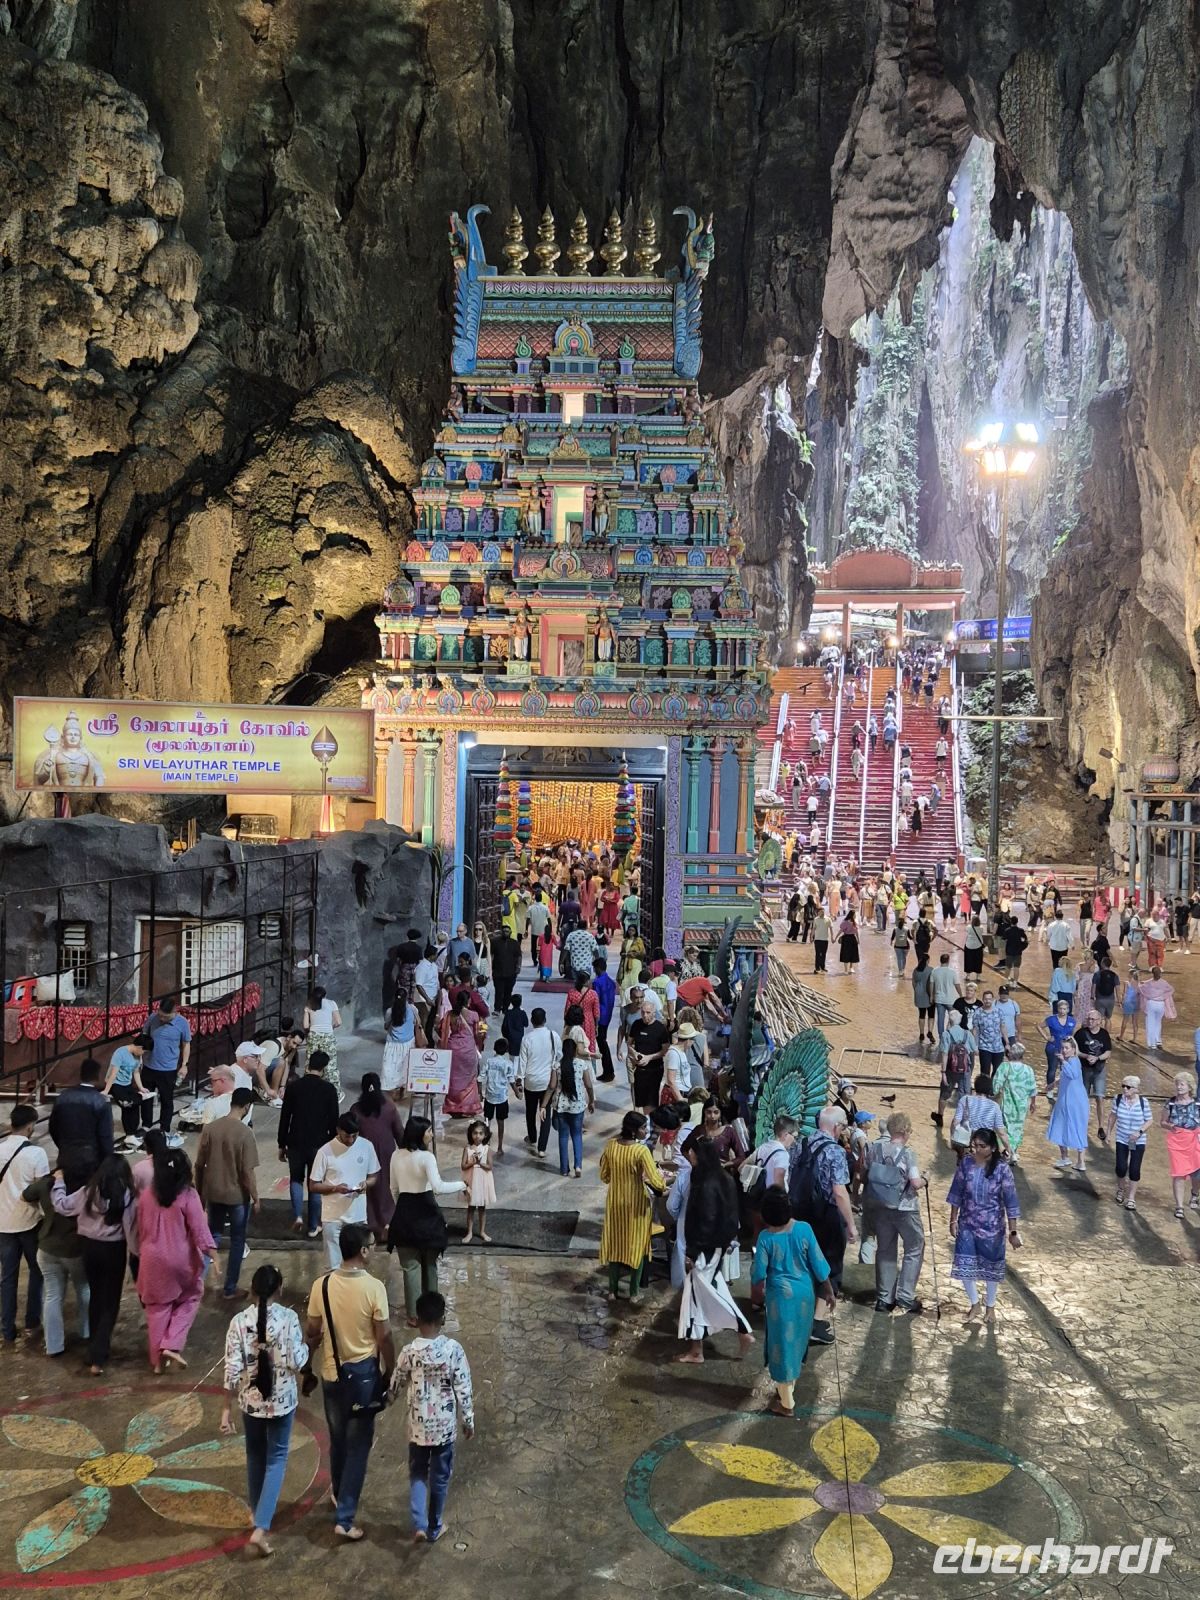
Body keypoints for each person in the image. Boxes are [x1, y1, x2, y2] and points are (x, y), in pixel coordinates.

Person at [305, 1223, 395, 1541]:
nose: (375, 1249)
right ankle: (344, 1517)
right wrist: (390, 1369)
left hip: (332, 1375)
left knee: (338, 1438)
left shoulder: (322, 1286)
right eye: (372, 1244)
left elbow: (312, 1332)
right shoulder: (374, 1289)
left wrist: (307, 1367)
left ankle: (339, 1492)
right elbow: (383, 1336)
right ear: (363, 1251)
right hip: (364, 1379)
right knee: (359, 1446)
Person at [220, 1262, 307, 1557]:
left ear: (253, 1290)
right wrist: (309, 1348)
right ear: (279, 1289)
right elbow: (298, 1361)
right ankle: (261, 1527)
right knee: (277, 1458)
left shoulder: (238, 1323)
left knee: (255, 1456)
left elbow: (232, 1370)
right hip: (281, 1401)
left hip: (250, 1401)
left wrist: (225, 1410)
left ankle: (257, 1514)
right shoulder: (288, 1319)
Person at [391, 1289, 474, 1545]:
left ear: (416, 1319)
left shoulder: (408, 1352)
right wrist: (468, 1418)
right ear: (443, 1318)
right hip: (444, 1429)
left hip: (418, 1427)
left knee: (418, 1472)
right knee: (440, 1477)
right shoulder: (453, 1350)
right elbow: (464, 1386)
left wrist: (387, 1397)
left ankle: (419, 1524)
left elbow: (396, 1382)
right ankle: (434, 1526)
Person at [750, 1188, 834, 1416]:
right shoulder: (804, 1229)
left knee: (781, 1348)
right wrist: (828, 1291)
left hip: (780, 1300)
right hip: (805, 1296)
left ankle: (786, 1404)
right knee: (797, 1342)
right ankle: (787, 1389)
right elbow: (819, 1263)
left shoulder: (766, 1238)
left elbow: (758, 1274)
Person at [51, 1153, 135, 1374]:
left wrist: (59, 1181)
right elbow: (130, 1228)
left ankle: (94, 1348)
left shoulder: (89, 1191)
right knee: (111, 1303)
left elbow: (62, 1205)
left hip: (89, 1248)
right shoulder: (126, 1195)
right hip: (114, 1250)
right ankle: (98, 1355)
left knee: (97, 1296)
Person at [136, 1145, 216, 1373]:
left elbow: (139, 1228)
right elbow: (200, 1230)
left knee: (157, 1309)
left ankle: (156, 1363)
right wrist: (213, 1253)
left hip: (151, 1259)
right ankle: (172, 1344)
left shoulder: (146, 1196)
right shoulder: (189, 1196)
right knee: (191, 1296)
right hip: (181, 1260)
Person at [675, 1141, 752, 1364]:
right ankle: (698, 1348)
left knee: (696, 1295)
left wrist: (692, 1251)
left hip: (705, 1248)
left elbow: (706, 1220)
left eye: (692, 1153)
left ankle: (740, 1331)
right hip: (717, 1245)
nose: (690, 1156)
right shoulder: (723, 1178)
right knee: (707, 1291)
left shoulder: (706, 1183)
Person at [387, 1116, 467, 1323]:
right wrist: (462, 1184)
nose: (431, 1134)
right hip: (427, 1214)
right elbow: (438, 1188)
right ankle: (433, 1315)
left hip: (404, 1213)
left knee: (410, 1267)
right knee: (430, 1265)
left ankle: (413, 1315)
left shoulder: (396, 1155)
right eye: (429, 1130)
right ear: (420, 1134)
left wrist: (403, 1208)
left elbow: (393, 1189)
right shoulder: (426, 1157)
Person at [791, 1107, 857, 1344]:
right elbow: (839, 1192)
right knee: (828, 1268)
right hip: (826, 1217)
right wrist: (850, 1224)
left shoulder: (801, 1143)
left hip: (799, 1214)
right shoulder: (835, 1152)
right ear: (837, 1127)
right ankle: (816, 1324)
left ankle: (800, 1317)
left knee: (803, 1266)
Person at [946, 1128, 1021, 1326]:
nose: (977, 1150)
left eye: (982, 1146)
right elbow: (956, 1193)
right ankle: (974, 1303)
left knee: (991, 1268)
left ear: (993, 1148)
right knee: (965, 1266)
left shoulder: (1002, 1169)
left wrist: (1013, 1232)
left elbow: (1011, 1202)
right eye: (974, 1145)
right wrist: (953, 1220)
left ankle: (990, 1306)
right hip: (968, 1224)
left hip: (993, 1228)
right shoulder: (966, 1164)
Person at [193, 1086, 258, 1300]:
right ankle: (230, 1288)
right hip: (237, 1196)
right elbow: (247, 1172)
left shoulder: (211, 1129)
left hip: (213, 1193)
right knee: (238, 1240)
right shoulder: (245, 1133)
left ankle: (195, 1285)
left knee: (211, 1237)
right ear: (247, 1106)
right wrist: (256, 1197)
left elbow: (199, 1164)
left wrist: (201, 1194)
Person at [598, 1110, 667, 1302]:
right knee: (636, 1245)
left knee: (615, 1245)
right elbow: (655, 1180)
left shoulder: (611, 1145)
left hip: (614, 1203)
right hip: (636, 1203)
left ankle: (612, 1291)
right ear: (634, 1130)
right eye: (644, 1128)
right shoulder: (641, 1151)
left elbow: (604, 1176)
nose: (646, 1131)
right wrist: (663, 1185)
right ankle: (634, 1293)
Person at [0, 1104, 50, 1348]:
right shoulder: (36, 1154)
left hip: (3, 1224)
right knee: (36, 1273)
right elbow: (42, 1190)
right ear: (31, 1126)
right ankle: (32, 1323)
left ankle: (6, 1329)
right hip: (29, 1222)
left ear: (11, 1125)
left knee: (7, 1278)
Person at [865, 1113, 925, 1314]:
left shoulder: (875, 1149)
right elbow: (915, 1182)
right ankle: (905, 1297)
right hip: (905, 1207)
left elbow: (865, 1171)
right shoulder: (908, 1153)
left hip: (881, 1206)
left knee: (885, 1250)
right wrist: (926, 1179)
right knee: (914, 1247)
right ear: (904, 1131)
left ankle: (884, 1298)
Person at [277, 1050, 339, 1239]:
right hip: (319, 1144)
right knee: (315, 1184)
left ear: (308, 1065)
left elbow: (285, 1116)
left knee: (296, 1179)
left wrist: (282, 1142)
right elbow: (334, 1120)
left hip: (295, 1140)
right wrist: (332, 1144)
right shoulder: (329, 1089)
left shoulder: (294, 1087)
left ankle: (297, 1215)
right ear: (324, 1069)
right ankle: (313, 1226)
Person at [309, 1113, 381, 1270]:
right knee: (333, 1266)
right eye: (347, 1136)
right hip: (333, 1217)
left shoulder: (366, 1146)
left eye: (355, 1136)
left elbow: (373, 1175)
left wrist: (366, 1184)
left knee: (357, 1265)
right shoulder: (325, 1152)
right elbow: (313, 1185)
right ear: (338, 1130)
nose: (351, 1140)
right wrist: (335, 1188)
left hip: (357, 1216)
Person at [352, 1074, 406, 1242]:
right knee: (385, 1190)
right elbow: (399, 1133)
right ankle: (386, 1226)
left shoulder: (356, 1110)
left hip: (363, 1158)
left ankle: (370, 1227)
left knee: (367, 1191)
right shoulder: (389, 1107)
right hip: (386, 1155)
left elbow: (351, 1134)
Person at [48, 1058, 115, 1190]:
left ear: (81, 1074)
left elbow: (53, 1128)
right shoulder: (100, 1101)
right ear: (97, 1076)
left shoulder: (63, 1097)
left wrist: (63, 1145)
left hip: (66, 1155)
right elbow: (105, 1136)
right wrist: (108, 1159)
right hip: (91, 1159)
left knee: (67, 1196)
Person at [143, 996, 193, 1140]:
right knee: (146, 1098)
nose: (162, 1019)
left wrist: (184, 1065)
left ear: (174, 1012)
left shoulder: (182, 1023)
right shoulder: (152, 1018)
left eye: (165, 1017)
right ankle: (146, 1125)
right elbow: (144, 1035)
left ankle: (164, 1128)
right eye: (160, 1015)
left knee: (167, 1100)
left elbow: (186, 1044)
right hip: (149, 1066)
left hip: (168, 1069)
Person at [517, 1008, 561, 1156]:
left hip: (531, 1081)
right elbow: (558, 1056)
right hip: (547, 1082)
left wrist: (519, 1080)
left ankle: (532, 1137)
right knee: (545, 1113)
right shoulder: (553, 1036)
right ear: (545, 1019)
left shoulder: (527, 1039)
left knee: (530, 1111)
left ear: (531, 1021)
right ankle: (542, 1148)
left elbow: (522, 1062)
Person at [1106, 1076, 1153, 1211]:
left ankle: (1131, 1197)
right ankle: (1120, 1189)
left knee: (1134, 1169)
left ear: (1136, 1089)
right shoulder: (1118, 1099)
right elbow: (1112, 1116)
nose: (1125, 1089)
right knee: (1121, 1167)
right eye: (1123, 1086)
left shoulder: (1143, 1102)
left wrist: (1139, 1132)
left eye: (1128, 1087)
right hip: (1122, 1138)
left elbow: (1149, 1120)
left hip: (1138, 1141)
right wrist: (1108, 1133)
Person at [554, 1037, 595, 1180]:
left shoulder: (557, 1065)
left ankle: (564, 1169)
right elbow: (588, 1085)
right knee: (577, 1135)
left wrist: (543, 1105)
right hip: (577, 1107)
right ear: (576, 1050)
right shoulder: (581, 1064)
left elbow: (552, 1086)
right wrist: (591, 1101)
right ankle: (578, 1165)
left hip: (561, 1107)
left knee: (563, 1136)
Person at [1160, 1072, 1200, 1218]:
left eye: (1182, 1084)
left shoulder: (1197, 1103)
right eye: (1177, 1084)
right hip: (1177, 1141)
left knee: (1197, 1173)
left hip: (1195, 1140)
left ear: (1190, 1087)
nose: (1178, 1087)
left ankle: (1195, 1194)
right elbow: (1162, 1122)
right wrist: (1170, 1126)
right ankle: (1179, 1206)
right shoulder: (1170, 1103)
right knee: (1179, 1174)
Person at [1046, 1042, 1090, 1172]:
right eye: (1063, 1048)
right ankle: (1065, 1157)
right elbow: (1065, 1076)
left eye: (1067, 1048)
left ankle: (1080, 1161)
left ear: (1073, 1049)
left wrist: (1063, 1061)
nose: (1064, 1050)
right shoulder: (1068, 1061)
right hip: (1065, 1100)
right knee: (1060, 1126)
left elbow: (1072, 1074)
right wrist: (1053, 1084)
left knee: (1077, 1127)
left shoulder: (1074, 1061)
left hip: (1075, 1102)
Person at [104, 1036, 152, 1151]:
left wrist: (141, 1088)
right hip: (115, 1084)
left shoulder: (138, 1056)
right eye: (143, 1051)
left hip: (127, 1084)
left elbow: (136, 1073)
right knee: (127, 1104)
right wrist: (106, 1090)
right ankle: (129, 1135)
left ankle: (131, 1134)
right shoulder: (120, 1053)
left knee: (135, 1106)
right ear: (140, 1047)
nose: (143, 1053)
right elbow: (113, 1074)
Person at [992, 1043, 1037, 1164]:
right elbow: (1032, 1088)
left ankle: (1008, 1151)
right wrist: (1033, 1103)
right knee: (1017, 1128)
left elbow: (996, 1085)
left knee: (1004, 1128)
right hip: (1022, 1104)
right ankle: (1014, 1152)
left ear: (1011, 1054)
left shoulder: (1004, 1067)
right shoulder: (1028, 1070)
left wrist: (993, 1095)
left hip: (1007, 1103)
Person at [441, 998, 483, 1119]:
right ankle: (467, 1107)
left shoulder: (449, 1014)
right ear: (468, 1001)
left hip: (453, 1049)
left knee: (454, 1079)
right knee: (469, 1079)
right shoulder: (474, 1015)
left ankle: (453, 1106)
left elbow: (441, 1030)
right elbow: (477, 1034)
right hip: (468, 1050)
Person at [933, 1011, 976, 1129]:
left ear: (950, 1021)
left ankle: (940, 1116)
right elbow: (974, 1052)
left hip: (950, 1070)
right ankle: (962, 1123)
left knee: (945, 1094)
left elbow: (944, 1054)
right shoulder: (967, 1034)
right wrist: (970, 1069)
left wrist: (943, 1073)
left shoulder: (946, 1034)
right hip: (965, 1071)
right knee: (965, 1096)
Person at [952, 1074, 1009, 1161]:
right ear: (989, 1089)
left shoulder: (965, 1099)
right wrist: (1009, 1149)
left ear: (976, 1086)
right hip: (985, 1144)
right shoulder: (995, 1106)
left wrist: (953, 1139)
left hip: (966, 1142)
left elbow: (955, 1122)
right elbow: (1001, 1133)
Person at [1075, 1010, 1113, 1138]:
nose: (1089, 1021)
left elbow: (1108, 1052)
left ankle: (1100, 1126)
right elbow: (1075, 1050)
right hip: (1084, 1069)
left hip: (1099, 1069)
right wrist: (1086, 1056)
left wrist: (1098, 1058)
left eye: (1092, 1019)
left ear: (1098, 1021)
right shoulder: (1081, 1033)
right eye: (1088, 1019)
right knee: (1083, 1099)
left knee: (1100, 1097)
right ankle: (1082, 1124)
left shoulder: (1104, 1034)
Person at [628, 998, 670, 1112]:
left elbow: (665, 1049)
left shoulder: (660, 1028)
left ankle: (650, 1123)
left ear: (654, 1012)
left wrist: (649, 1057)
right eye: (643, 1012)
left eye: (648, 1013)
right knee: (640, 1101)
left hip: (654, 1070)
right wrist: (634, 1054)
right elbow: (629, 1043)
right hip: (640, 1070)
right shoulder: (636, 1024)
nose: (645, 1015)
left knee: (651, 1103)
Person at [479, 1038, 517, 1155]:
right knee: (501, 1122)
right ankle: (500, 1147)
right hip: (502, 1098)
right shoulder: (508, 1064)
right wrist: (517, 1092)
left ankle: (486, 1143)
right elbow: (511, 1080)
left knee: (487, 1121)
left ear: (494, 1048)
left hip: (489, 1096)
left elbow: (480, 1078)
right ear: (506, 1050)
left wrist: (480, 1093)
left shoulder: (488, 1061)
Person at [304, 987, 343, 1099]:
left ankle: (309, 1092)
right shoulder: (331, 1003)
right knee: (330, 1065)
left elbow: (306, 1026)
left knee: (310, 1063)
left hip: (313, 1036)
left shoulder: (309, 1005)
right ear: (325, 995)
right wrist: (330, 1027)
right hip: (327, 1036)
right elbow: (339, 1022)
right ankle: (336, 1094)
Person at [461, 1120, 496, 1243]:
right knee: (470, 1207)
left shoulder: (487, 1149)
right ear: (471, 1134)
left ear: (485, 1135)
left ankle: (482, 1231)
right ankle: (469, 1232)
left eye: (481, 1133)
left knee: (482, 1207)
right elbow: (463, 1166)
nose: (477, 1136)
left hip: (482, 1180)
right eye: (475, 1133)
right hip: (471, 1180)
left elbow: (490, 1166)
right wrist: (472, 1162)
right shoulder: (467, 1149)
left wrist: (480, 1163)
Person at [381, 996, 420, 1102]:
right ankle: (403, 1090)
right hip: (408, 1043)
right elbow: (417, 1023)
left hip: (392, 1044)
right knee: (405, 1067)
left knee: (391, 1068)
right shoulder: (412, 1008)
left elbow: (386, 1026)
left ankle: (393, 1092)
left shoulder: (390, 1011)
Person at [1039, 998, 1077, 1092]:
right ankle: (1050, 1089)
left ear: (1068, 1010)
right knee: (1052, 1068)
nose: (1062, 1011)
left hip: (1066, 1049)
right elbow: (1039, 1026)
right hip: (1053, 1047)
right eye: (1060, 1008)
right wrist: (1046, 1037)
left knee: (1064, 1069)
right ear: (1058, 1009)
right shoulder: (1051, 1019)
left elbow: (1073, 1036)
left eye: (1064, 1009)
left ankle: (1063, 1088)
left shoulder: (1072, 1021)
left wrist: (1073, 1049)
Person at [592, 956, 618, 1081]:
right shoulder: (611, 982)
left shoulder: (597, 983)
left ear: (597, 968)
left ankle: (608, 1071)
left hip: (599, 1017)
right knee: (603, 1042)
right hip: (607, 1016)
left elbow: (595, 1001)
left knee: (602, 1044)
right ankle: (608, 1070)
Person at [1138, 966, 1176, 1050]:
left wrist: (1142, 982)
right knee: (1158, 1023)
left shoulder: (1149, 983)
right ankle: (1158, 1041)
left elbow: (1141, 987)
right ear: (1160, 974)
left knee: (1150, 1024)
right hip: (1160, 1005)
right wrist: (1162, 996)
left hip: (1151, 1004)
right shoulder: (1164, 983)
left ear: (1153, 974)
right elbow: (1171, 989)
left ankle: (1152, 1044)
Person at [928, 954, 962, 1039]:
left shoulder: (935, 971)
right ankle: (952, 1034)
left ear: (940, 960)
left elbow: (931, 984)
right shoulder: (952, 971)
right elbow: (957, 984)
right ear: (948, 961)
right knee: (954, 1018)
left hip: (939, 999)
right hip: (951, 999)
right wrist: (961, 995)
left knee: (940, 1019)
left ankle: (941, 1036)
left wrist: (931, 996)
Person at [910, 954, 934, 1044]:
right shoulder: (931, 970)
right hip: (929, 994)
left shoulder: (916, 970)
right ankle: (930, 1031)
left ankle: (921, 1033)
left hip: (919, 994)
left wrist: (916, 989)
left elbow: (913, 982)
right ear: (928, 961)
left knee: (921, 1014)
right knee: (931, 1015)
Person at [1118, 965, 1142, 1041]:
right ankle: (1134, 1038)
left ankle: (1121, 1036)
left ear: (1131, 975)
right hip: (1136, 1003)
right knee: (1135, 1022)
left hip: (1128, 1003)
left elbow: (1124, 993)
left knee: (1125, 1020)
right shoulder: (1139, 984)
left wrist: (1122, 1002)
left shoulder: (1127, 983)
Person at [811, 905, 832, 974]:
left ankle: (822, 967)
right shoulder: (816, 919)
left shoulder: (828, 919)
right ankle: (817, 968)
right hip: (817, 939)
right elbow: (813, 929)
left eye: (823, 911)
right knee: (817, 954)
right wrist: (811, 936)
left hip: (825, 939)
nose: (822, 913)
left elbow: (831, 928)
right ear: (818, 913)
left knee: (823, 954)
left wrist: (832, 937)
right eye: (820, 912)